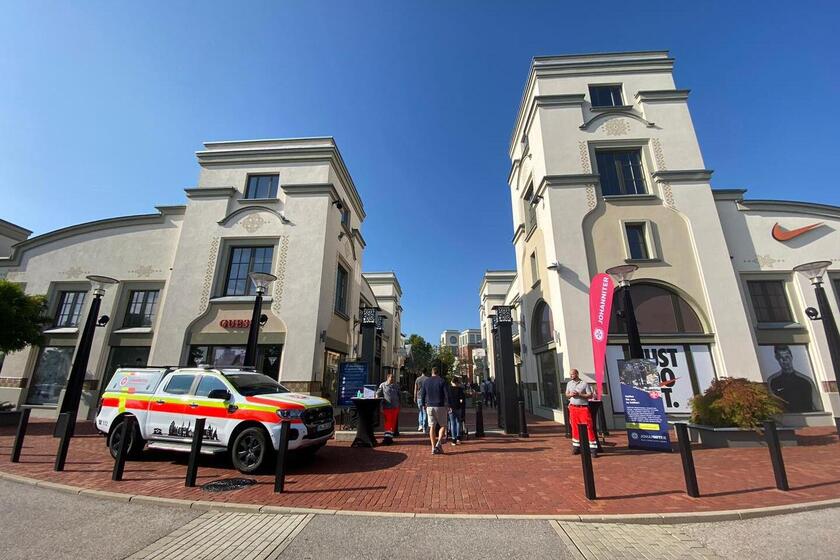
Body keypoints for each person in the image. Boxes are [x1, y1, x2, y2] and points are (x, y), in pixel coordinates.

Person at [767, 344, 818, 413]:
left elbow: (817, 406)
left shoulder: (806, 381)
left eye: (787, 357)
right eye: (781, 358)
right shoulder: (772, 381)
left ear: (791, 357)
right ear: (777, 359)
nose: (785, 361)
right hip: (787, 420)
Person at [565, 368, 597, 458]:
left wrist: (580, 394)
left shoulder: (584, 383)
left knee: (588, 427)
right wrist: (570, 395)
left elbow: (590, 395)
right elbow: (566, 394)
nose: (571, 376)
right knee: (574, 427)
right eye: (570, 374)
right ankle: (576, 446)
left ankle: (593, 449)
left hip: (583, 408)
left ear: (577, 374)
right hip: (573, 408)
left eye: (573, 374)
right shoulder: (569, 383)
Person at [419, 366, 450, 455]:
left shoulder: (426, 381)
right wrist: (448, 404)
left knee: (432, 426)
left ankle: (433, 447)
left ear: (431, 372)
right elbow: (446, 394)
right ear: (438, 372)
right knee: (443, 425)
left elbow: (423, 394)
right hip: (440, 406)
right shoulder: (442, 381)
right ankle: (439, 443)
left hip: (429, 406)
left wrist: (423, 405)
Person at [376, 372, 401, 445]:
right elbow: (378, 393)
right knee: (388, 423)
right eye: (391, 378)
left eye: (393, 378)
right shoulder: (383, 385)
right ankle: (387, 438)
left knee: (392, 423)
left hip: (395, 407)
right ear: (388, 378)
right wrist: (377, 396)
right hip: (387, 407)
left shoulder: (396, 386)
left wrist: (400, 405)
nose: (392, 379)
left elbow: (399, 395)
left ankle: (390, 438)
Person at [447, 376, 466, 445]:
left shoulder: (448, 389)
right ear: (457, 382)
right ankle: (458, 438)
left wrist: (449, 406)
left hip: (451, 408)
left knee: (452, 423)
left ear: (452, 382)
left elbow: (447, 399)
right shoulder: (460, 389)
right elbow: (462, 399)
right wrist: (460, 404)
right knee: (458, 422)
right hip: (458, 407)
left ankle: (453, 439)